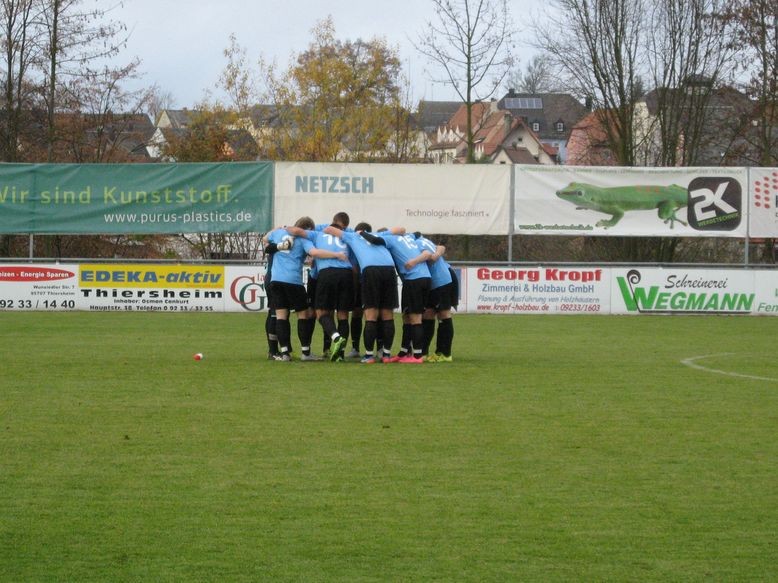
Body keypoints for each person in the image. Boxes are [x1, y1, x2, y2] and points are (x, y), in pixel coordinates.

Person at [264, 217, 348, 361]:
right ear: (307, 229)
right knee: (305, 314)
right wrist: (336, 255)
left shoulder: (278, 234)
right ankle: (306, 353)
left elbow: (265, 239)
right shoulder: (304, 240)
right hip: (293, 281)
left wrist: (277, 228)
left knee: (281, 316)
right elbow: (314, 252)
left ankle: (284, 353)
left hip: (275, 280)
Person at [324, 222, 397, 364]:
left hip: (371, 270)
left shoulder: (353, 236)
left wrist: (356, 233)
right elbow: (400, 229)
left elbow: (329, 229)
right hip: (389, 269)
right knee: (388, 315)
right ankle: (386, 355)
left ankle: (369, 356)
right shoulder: (380, 235)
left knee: (371, 315)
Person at [286, 217, 354, 362]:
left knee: (321, 312)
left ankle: (336, 338)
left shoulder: (318, 234)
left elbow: (296, 230)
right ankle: (339, 354)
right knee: (343, 315)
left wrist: (284, 228)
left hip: (327, 274)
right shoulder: (346, 237)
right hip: (347, 275)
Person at [361, 227, 432, 364]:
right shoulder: (409, 237)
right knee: (406, 316)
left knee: (415, 318)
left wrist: (362, 233)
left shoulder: (390, 239)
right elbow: (417, 232)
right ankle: (404, 352)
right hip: (424, 278)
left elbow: (375, 239)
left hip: (414, 279)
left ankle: (417, 356)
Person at [415, 233, 456, 362]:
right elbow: (441, 247)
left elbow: (437, 251)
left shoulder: (418, 243)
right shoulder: (422, 241)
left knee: (444, 314)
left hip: (442, 280)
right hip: (432, 282)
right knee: (428, 314)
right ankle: (423, 352)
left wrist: (414, 262)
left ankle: (444, 353)